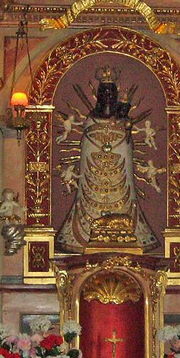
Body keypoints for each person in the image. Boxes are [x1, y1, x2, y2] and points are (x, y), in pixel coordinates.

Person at [55, 68, 158, 253]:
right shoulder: (91, 119)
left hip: (120, 173)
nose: (109, 96)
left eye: (112, 92)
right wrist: (99, 148)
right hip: (93, 173)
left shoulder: (122, 120)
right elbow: (87, 145)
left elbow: (127, 147)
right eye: (105, 92)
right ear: (99, 95)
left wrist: (121, 136)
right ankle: (84, 235)